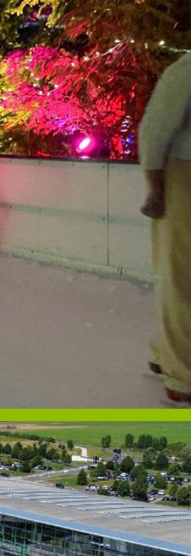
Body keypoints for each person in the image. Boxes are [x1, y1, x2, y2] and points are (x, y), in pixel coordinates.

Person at [138, 51, 191, 404]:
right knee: (182, 276)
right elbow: (154, 129)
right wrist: (155, 187)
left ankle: (166, 352)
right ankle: (181, 375)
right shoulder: (187, 69)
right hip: (183, 177)